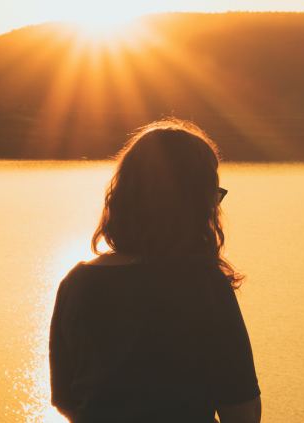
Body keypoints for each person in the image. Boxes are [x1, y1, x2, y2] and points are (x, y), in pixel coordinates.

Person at [49, 118, 261, 423]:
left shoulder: (76, 283)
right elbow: (242, 409)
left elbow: (67, 401)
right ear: (193, 202)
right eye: (212, 194)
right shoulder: (202, 283)